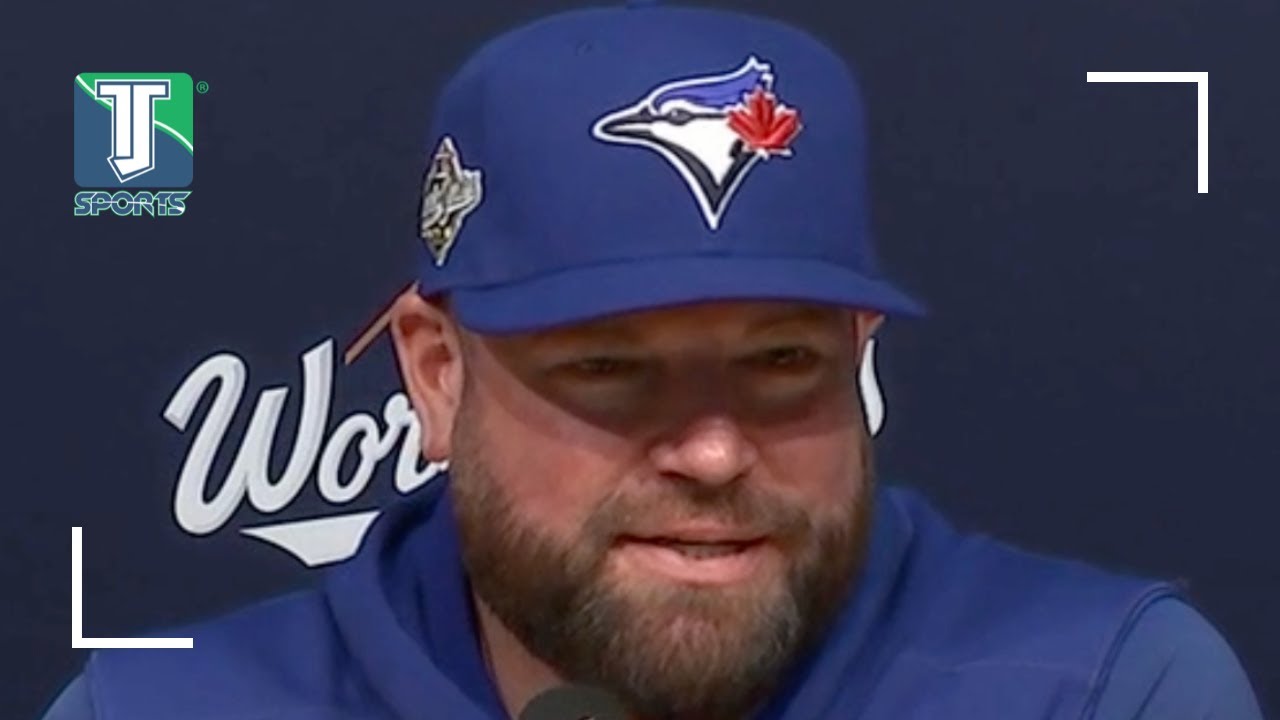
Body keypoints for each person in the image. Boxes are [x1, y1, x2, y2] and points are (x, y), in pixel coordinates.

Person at [41, 3, 1263, 719]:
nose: (714, 451)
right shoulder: (170, 710)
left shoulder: (1101, 691)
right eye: (608, 368)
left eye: (780, 359)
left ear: (859, 360)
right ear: (435, 375)